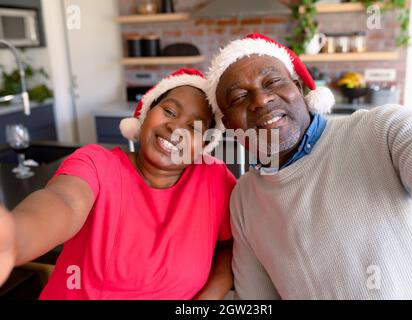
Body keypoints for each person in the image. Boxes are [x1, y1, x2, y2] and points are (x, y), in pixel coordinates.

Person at [205, 33, 412, 299]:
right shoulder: (243, 200)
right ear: (228, 125)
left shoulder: (382, 130)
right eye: (239, 96)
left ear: (298, 88)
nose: (261, 100)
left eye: (273, 81)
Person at [0, 68, 236, 300]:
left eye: (194, 127)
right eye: (170, 111)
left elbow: (229, 247)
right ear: (145, 116)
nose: (176, 128)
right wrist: (14, 238)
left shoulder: (213, 178)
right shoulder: (96, 163)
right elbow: (65, 201)